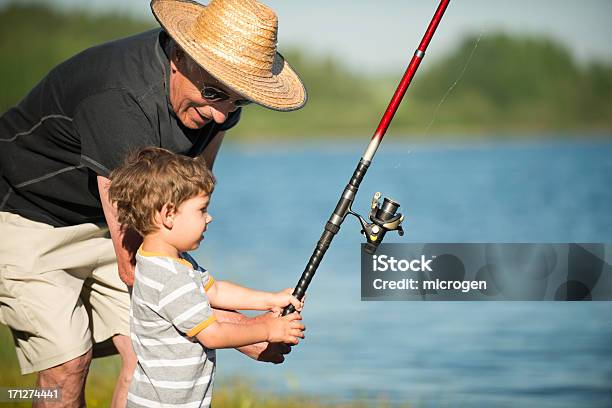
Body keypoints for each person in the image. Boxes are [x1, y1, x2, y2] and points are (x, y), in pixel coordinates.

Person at [0, 0, 307, 406]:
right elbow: (141, 269)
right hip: (28, 212)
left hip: (112, 218)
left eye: (237, 101)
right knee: (68, 362)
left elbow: (186, 203)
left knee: (145, 350)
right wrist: (249, 334)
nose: (220, 117)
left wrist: (251, 317)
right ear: (180, 57)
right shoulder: (120, 98)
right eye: (214, 94)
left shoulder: (221, 99)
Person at [108, 147, 305, 407]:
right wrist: (269, 329)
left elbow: (215, 291)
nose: (209, 218)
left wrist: (270, 300)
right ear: (168, 215)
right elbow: (213, 335)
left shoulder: (166, 260)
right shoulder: (170, 279)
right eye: (201, 210)